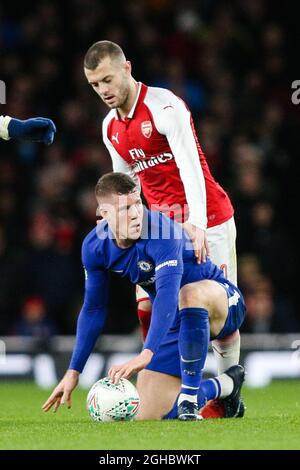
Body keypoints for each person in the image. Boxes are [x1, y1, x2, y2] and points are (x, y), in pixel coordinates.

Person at [83, 40, 240, 417]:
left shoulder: (165, 107)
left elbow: (190, 165)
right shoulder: (110, 128)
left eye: (106, 79)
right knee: (148, 304)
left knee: (213, 312)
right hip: (159, 229)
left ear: (127, 68)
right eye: (94, 85)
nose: (103, 90)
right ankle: (160, 376)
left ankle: (227, 395)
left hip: (209, 219)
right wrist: (115, 218)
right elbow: (124, 182)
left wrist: (197, 223)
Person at [42, 173, 246, 420]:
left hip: (221, 301)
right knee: (149, 417)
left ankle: (190, 400)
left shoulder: (163, 233)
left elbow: (167, 297)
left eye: (137, 203)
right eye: (125, 208)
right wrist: (74, 371)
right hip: (177, 320)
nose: (136, 213)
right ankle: (226, 385)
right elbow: (94, 309)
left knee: (188, 293)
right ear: (104, 214)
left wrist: (146, 353)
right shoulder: (94, 246)